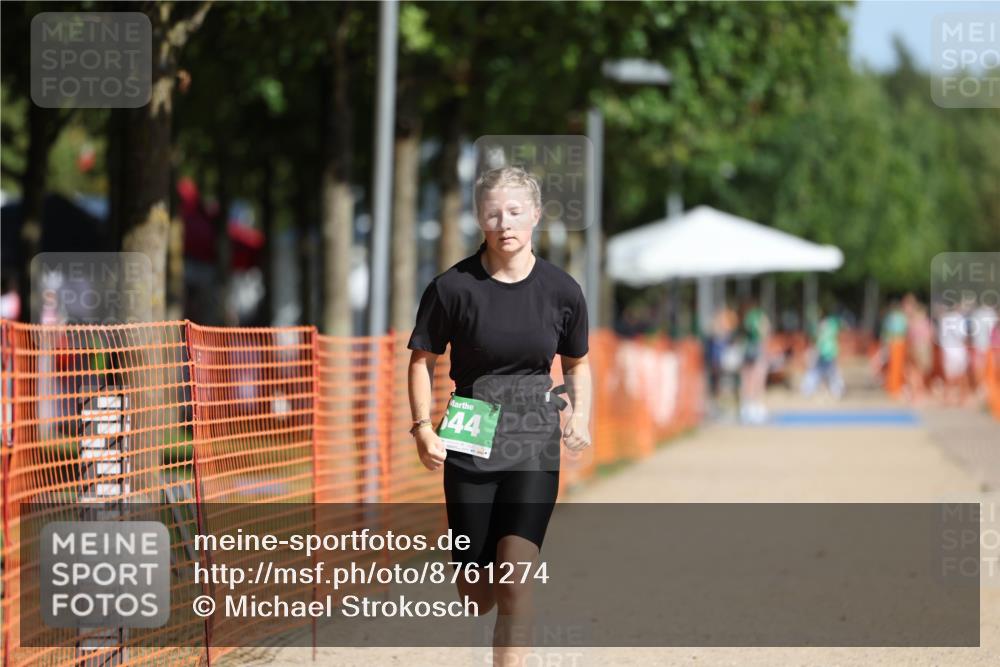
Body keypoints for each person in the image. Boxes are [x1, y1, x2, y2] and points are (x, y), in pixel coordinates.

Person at [406, 166, 592, 665]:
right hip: (471, 433)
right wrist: (423, 428)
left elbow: (577, 364)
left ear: (536, 214)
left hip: (534, 439)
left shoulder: (562, 290)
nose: (504, 222)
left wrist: (580, 416)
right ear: (478, 218)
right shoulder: (452, 288)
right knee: (477, 595)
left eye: (514, 211)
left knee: (515, 579)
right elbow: (422, 361)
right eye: (492, 212)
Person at [739, 298, 770, 424]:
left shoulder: (746, 317)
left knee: (747, 380)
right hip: (756, 350)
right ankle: (755, 408)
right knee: (757, 379)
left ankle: (747, 408)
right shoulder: (758, 316)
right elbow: (763, 332)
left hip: (747, 350)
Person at [801, 310, 844, 399]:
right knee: (827, 374)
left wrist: (815, 352)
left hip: (825, 354)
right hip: (826, 354)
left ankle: (808, 390)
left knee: (820, 373)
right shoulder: (831, 326)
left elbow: (818, 342)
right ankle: (837, 391)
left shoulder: (825, 327)